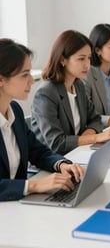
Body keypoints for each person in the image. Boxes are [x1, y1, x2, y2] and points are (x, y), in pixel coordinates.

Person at [0, 38, 85, 201]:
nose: (32, 81)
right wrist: (33, 185)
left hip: (16, 207)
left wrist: (61, 165)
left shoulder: (14, 111)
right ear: (1, 79)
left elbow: (37, 150)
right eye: (25, 75)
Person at [31, 30, 110, 155]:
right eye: (81, 59)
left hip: (76, 153)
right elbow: (57, 143)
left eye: (89, 58)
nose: (87, 65)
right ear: (63, 60)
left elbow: (95, 119)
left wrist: (86, 138)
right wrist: (95, 138)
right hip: (54, 163)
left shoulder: (77, 84)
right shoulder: (46, 93)